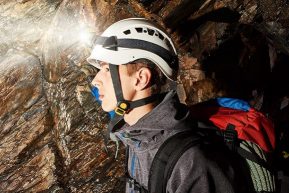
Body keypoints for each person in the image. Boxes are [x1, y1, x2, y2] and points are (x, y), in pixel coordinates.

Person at [87, 18, 248, 193]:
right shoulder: (135, 138)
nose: (95, 81)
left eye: (106, 70)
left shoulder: (190, 163)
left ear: (141, 79)